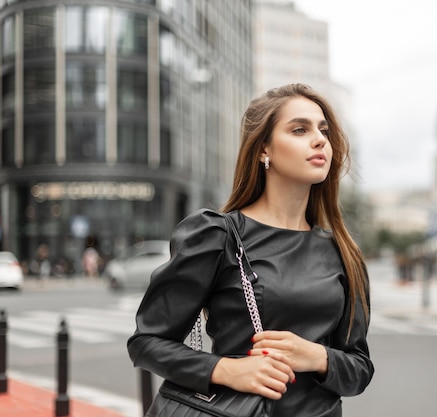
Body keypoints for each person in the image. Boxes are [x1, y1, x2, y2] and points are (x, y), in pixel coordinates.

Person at [128, 83, 374, 416]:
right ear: (263, 150)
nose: (319, 140)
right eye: (299, 129)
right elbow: (147, 343)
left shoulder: (343, 252)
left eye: (324, 131)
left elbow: (359, 370)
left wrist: (318, 357)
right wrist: (228, 370)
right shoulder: (218, 236)